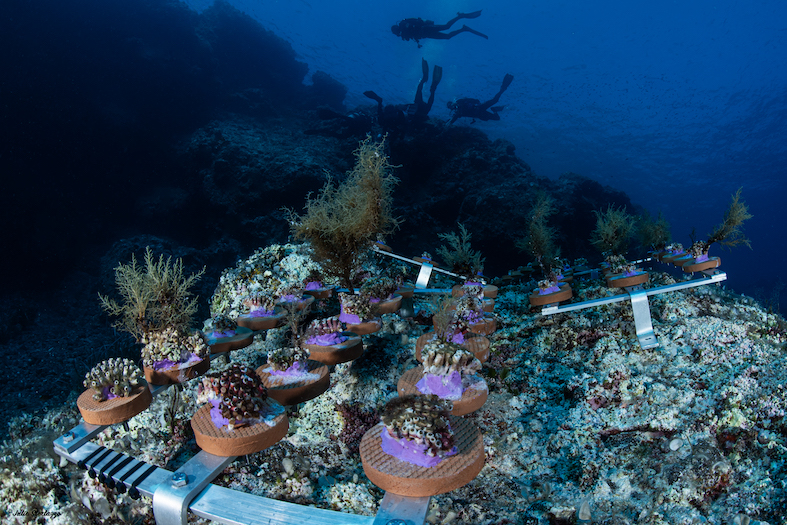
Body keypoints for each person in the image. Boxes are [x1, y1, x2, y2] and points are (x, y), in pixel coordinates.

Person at [364, 59, 443, 135]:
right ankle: (426, 81)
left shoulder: (399, 121)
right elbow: (403, 112)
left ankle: (429, 83)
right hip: (418, 110)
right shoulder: (395, 120)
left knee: (426, 94)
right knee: (420, 92)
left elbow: (405, 115)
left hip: (420, 111)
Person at [391, 11, 488, 47]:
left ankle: (460, 16)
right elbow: (412, 36)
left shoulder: (403, 24)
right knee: (447, 37)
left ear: (396, 29)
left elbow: (414, 25)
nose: (396, 34)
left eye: (395, 32)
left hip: (426, 29)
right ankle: (464, 29)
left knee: (446, 26)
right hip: (427, 35)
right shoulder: (403, 33)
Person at [447, 74, 514, 125]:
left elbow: (471, 100)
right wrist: (448, 123)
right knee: (497, 118)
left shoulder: (459, 102)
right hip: (479, 115)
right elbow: (453, 120)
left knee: (495, 100)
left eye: (451, 105)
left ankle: (503, 88)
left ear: (453, 103)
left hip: (480, 107)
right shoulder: (457, 113)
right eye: (450, 107)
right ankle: (494, 109)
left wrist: (477, 104)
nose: (451, 107)